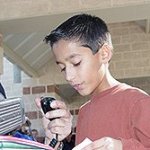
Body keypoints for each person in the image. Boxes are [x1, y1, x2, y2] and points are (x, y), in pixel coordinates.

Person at [36, 14, 150, 149]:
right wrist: (55, 142)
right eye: (63, 68)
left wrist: (121, 146)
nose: (68, 76)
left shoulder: (138, 102)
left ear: (104, 53)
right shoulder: (84, 111)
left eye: (76, 63)